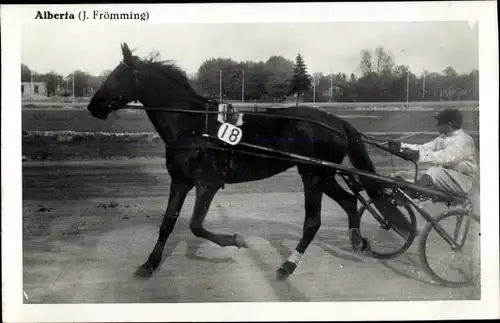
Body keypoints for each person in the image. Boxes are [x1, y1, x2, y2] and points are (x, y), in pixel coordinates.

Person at [389, 108, 478, 196]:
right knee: (402, 174)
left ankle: (408, 196)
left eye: (439, 122)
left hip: (463, 181)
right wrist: (401, 146)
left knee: (433, 172)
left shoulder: (465, 140)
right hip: (445, 175)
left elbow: (446, 157)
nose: (436, 125)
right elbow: (424, 148)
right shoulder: (442, 138)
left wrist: (419, 155)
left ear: (449, 125)